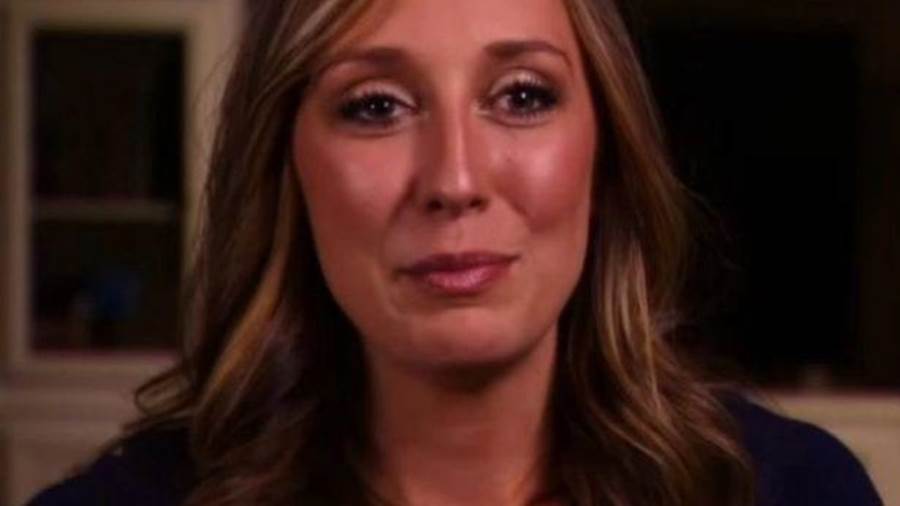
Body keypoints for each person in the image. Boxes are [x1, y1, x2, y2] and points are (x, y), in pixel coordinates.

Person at [29, 0, 882, 505]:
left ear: (608, 152)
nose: (455, 180)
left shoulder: (790, 491)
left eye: (522, 96)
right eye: (376, 106)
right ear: (286, 168)